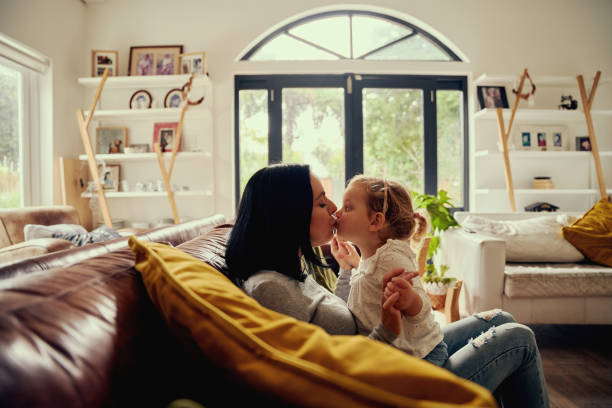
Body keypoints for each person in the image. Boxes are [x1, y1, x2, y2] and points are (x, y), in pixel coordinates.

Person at [225, 163, 549, 408]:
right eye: (322, 203)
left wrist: (346, 271)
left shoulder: (287, 267)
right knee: (519, 338)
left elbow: (335, 318)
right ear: (289, 214)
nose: (335, 209)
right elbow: (339, 371)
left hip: (397, 354)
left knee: (501, 319)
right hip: (392, 380)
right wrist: (389, 328)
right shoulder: (271, 288)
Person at [330, 175, 448, 366]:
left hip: (424, 358)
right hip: (411, 354)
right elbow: (351, 304)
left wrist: (410, 301)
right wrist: (348, 267)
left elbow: (423, 304)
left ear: (375, 221)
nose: (337, 212)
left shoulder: (391, 258)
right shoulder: (371, 261)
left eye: (348, 207)